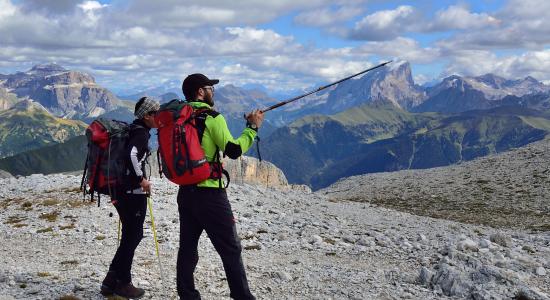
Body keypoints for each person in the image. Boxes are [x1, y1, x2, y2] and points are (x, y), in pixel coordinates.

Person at [177, 73, 263, 300]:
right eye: (209, 88)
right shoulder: (212, 118)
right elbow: (233, 150)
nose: (213, 91)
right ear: (199, 92)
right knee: (231, 248)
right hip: (210, 194)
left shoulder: (179, 117)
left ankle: (187, 295)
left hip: (185, 191)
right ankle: (243, 297)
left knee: (187, 247)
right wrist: (252, 128)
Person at [100, 96, 160, 299]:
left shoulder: (133, 129)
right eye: (156, 113)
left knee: (130, 236)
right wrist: (141, 180)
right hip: (132, 193)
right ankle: (123, 283)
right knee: (133, 236)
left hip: (121, 191)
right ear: (148, 115)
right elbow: (132, 155)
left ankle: (110, 281)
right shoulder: (141, 134)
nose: (159, 117)